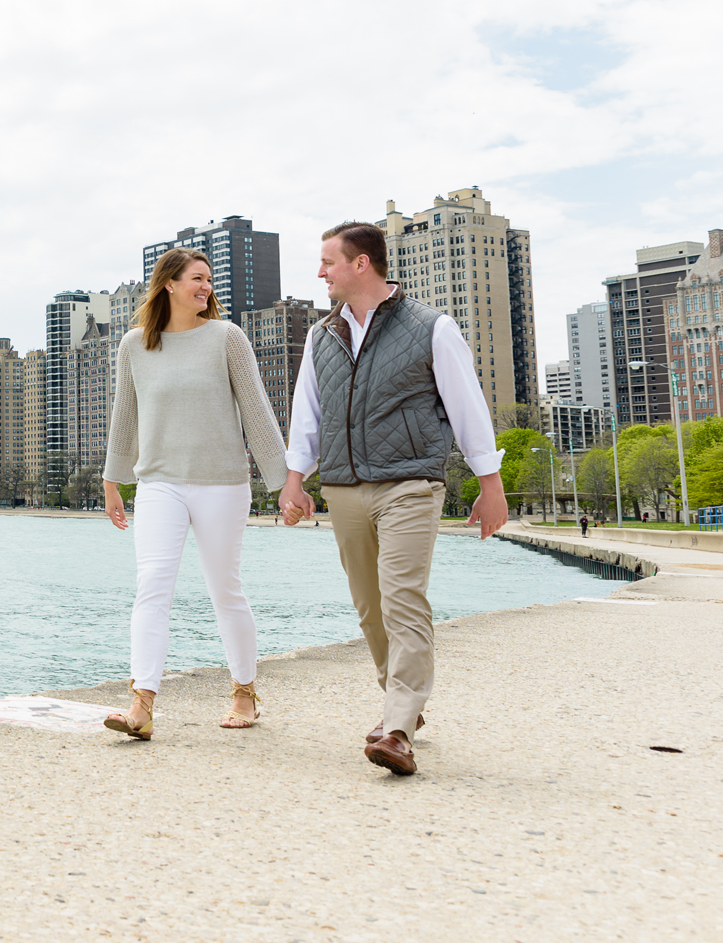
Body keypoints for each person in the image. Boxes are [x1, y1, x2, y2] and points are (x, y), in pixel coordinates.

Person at [279, 223, 508, 777]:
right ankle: (402, 705)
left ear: (362, 265)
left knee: (402, 597)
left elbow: (466, 406)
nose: (320, 272)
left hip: (410, 481)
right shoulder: (320, 336)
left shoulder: (432, 326)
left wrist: (490, 482)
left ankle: (398, 726)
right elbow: (308, 413)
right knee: (369, 606)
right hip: (343, 486)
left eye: (328, 261)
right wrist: (295, 479)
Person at [100, 248, 290, 740]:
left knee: (224, 589)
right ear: (168, 284)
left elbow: (257, 411)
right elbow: (126, 415)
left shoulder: (227, 337)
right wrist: (112, 480)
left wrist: (284, 482)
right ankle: (141, 703)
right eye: (196, 279)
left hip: (222, 483)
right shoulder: (134, 345)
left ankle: (245, 691)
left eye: (208, 280)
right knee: (153, 585)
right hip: (158, 481)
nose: (205, 287)